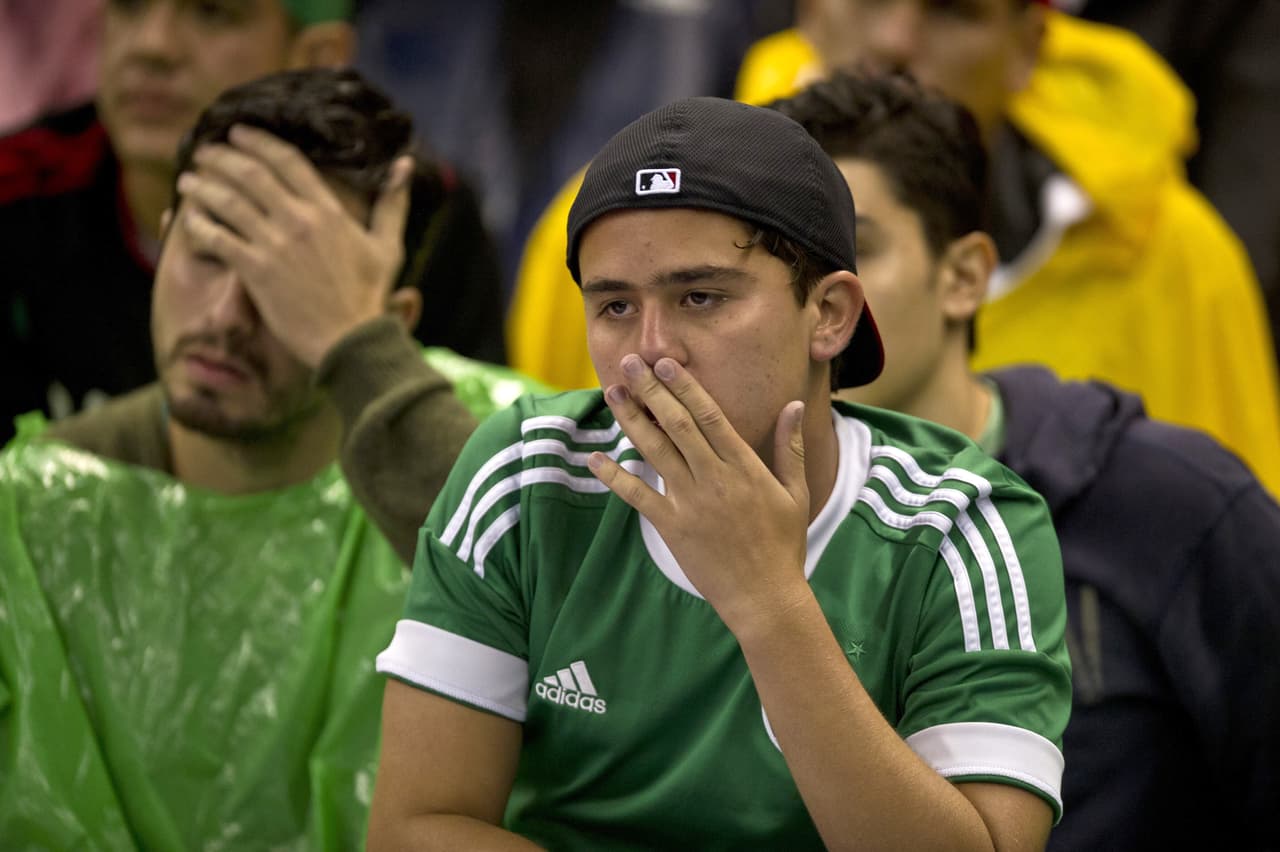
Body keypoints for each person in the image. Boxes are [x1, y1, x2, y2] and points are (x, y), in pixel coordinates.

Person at [368, 96, 1072, 850]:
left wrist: (769, 602)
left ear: (830, 314)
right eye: (615, 307)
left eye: (700, 297)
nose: (652, 350)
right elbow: (414, 829)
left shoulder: (961, 524)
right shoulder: (526, 475)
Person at [0, 68, 542, 849]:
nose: (226, 316)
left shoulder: (514, 447)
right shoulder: (33, 507)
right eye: (207, 254)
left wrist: (355, 350)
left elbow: (577, 639)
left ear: (386, 323)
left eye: (288, 282)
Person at [770, 69, 1280, 851]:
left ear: (964, 276)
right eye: (778, 260)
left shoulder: (1173, 503)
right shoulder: (699, 517)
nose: (812, 298)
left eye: (853, 251)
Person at [508, 0, 1280, 497]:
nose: (895, 41)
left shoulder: (1172, 254)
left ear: (1028, 43)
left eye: (952, 10)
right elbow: (551, 522)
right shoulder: (612, 227)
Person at [0, 0, 507, 446]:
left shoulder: (415, 212)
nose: (152, 46)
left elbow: (480, 487)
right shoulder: (15, 190)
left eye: (213, 12)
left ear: (319, 57)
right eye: (129, 5)